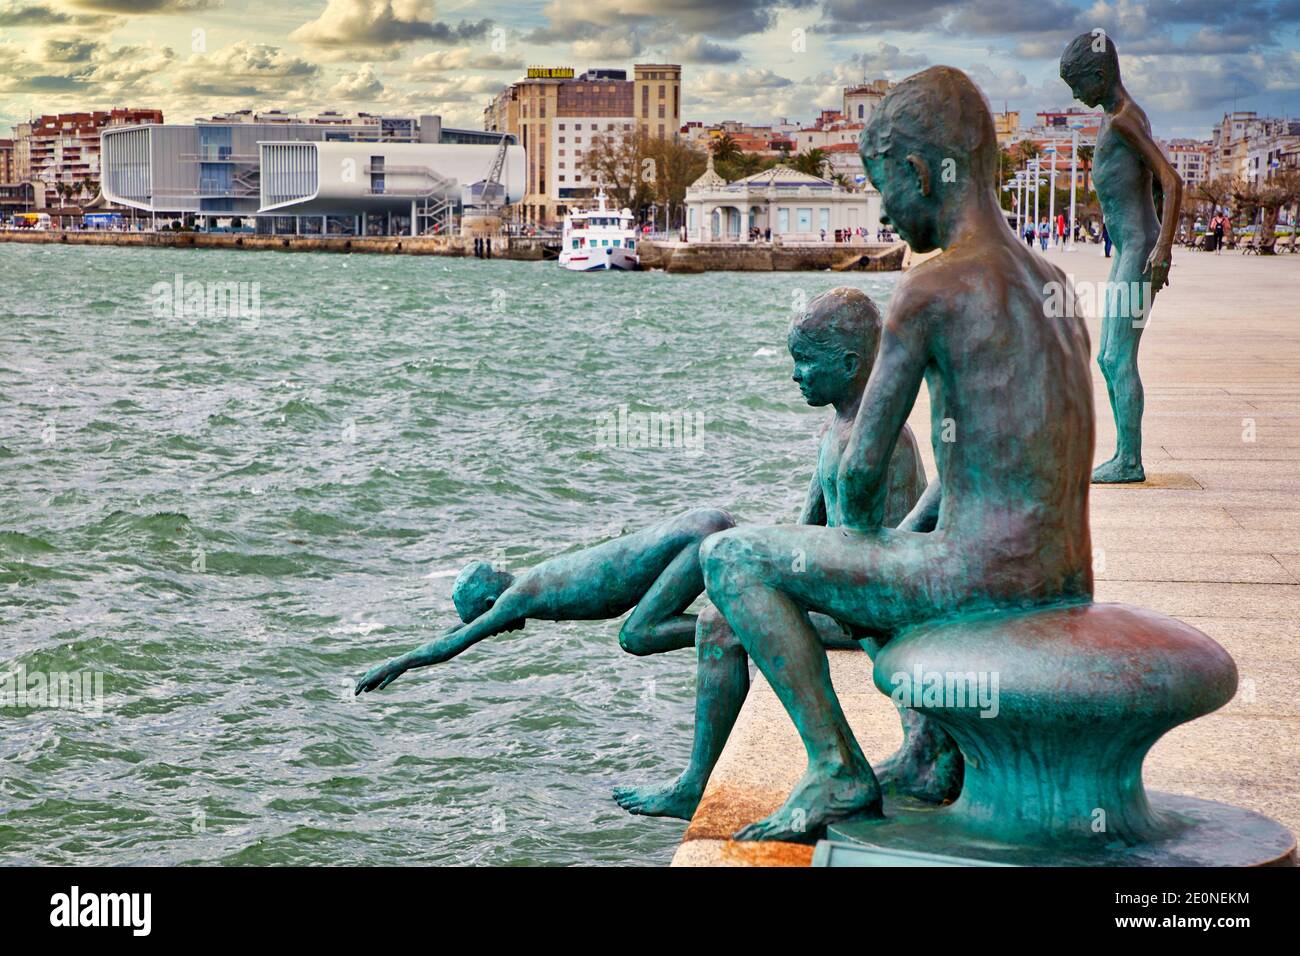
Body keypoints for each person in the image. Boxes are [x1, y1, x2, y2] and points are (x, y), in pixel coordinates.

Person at [695, 65, 1094, 842]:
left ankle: (836, 769)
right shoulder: (1054, 283)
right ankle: (925, 749)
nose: (883, 207)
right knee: (894, 554)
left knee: (732, 560)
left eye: (884, 186)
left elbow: (858, 471)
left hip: (984, 578)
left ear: (919, 173)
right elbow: (1016, 461)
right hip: (1064, 575)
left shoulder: (931, 287)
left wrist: (857, 573)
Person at [355, 291, 936, 822]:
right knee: (719, 609)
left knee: (715, 624)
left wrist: (400, 663)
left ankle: (707, 783)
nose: (794, 375)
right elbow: (808, 533)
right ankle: (700, 777)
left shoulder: (883, 443)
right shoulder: (836, 432)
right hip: (849, 589)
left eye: (805, 362)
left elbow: (892, 557)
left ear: (850, 365)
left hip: (873, 602)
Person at [1062, 31, 1183, 484]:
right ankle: (1124, 454)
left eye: (1077, 84)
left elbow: (1172, 181)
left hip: (1138, 253)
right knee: (1109, 357)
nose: (1074, 95)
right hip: (1131, 249)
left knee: (1117, 357)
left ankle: (1129, 460)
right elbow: (1151, 185)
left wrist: (1162, 247)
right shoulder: (1119, 117)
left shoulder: (1124, 120)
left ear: (1098, 74)